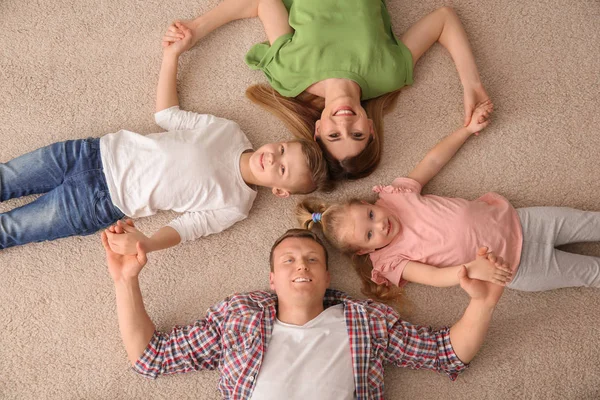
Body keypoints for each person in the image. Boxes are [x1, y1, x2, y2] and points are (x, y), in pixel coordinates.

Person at [0, 23, 328, 252]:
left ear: (280, 191)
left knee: (12, 229)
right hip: (91, 153)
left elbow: (187, 229)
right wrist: (172, 56)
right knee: (7, 177)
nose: (272, 158)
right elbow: (167, 116)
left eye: (282, 169)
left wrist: (147, 242)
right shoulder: (229, 131)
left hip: (100, 202)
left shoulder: (237, 204)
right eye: (282, 149)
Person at [104, 227, 505, 399]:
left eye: (312, 259)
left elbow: (446, 352)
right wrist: (126, 281)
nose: (301, 266)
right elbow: (149, 356)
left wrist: (482, 303)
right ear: (272, 280)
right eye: (289, 261)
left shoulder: (364, 321)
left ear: (327, 276)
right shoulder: (239, 316)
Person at [297, 98, 600, 303]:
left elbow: (432, 162)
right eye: (369, 234)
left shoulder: (395, 197)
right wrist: (469, 271)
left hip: (522, 221)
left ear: (370, 203)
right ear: (366, 249)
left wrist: (466, 130)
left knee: (589, 222)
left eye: (372, 216)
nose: (380, 225)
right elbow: (433, 276)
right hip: (516, 267)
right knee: (589, 273)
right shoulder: (389, 260)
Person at [163, 1, 491, 180]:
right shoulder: (389, 74)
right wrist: (471, 84)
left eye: (334, 136)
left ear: (318, 129)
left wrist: (197, 28)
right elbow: (444, 18)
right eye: (357, 135)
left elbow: (264, 3)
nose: (344, 124)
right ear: (371, 129)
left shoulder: (289, 76)